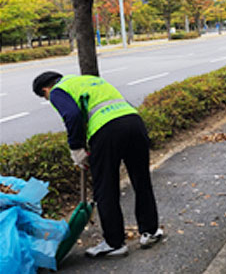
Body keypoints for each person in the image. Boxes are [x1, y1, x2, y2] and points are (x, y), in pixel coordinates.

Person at [32, 72, 163, 257]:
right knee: (141, 180)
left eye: (45, 96)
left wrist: (76, 148)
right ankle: (150, 231)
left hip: (107, 131)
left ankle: (114, 243)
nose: (49, 99)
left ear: (45, 90)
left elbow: (72, 115)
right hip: (134, 123)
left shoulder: (57, 91)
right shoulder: (87, 80)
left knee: (106, 187)